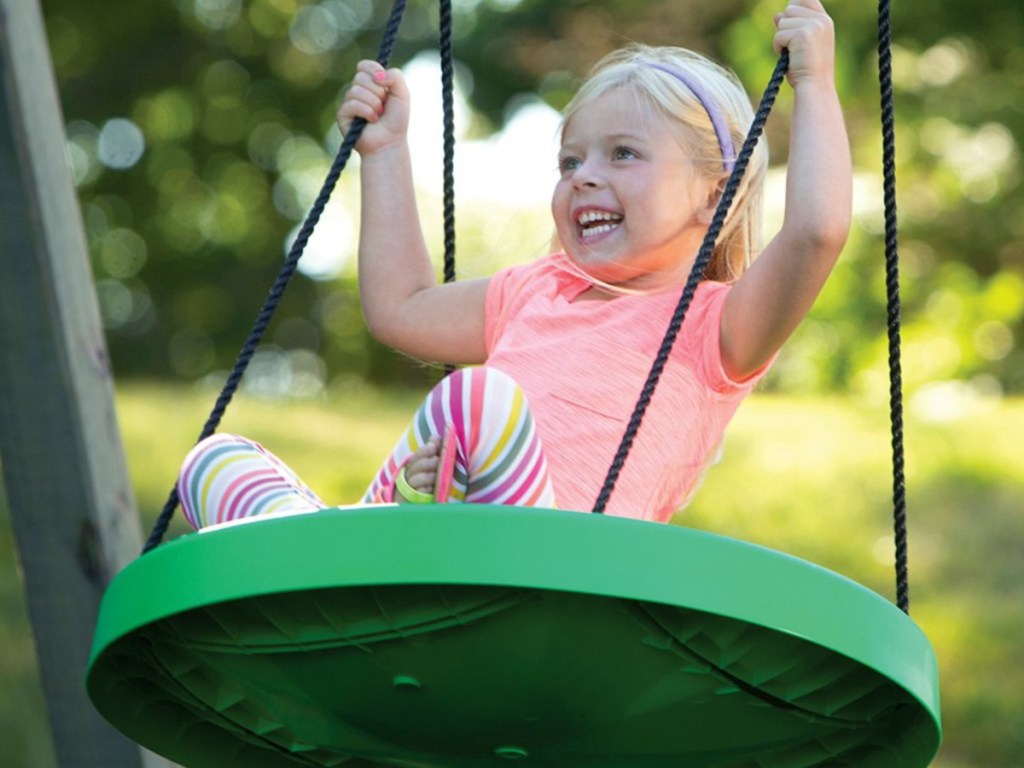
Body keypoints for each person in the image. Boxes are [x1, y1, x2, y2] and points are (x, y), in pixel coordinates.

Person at [176, 0, 850, 530]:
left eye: (622, 154)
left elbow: (817, 232)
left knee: (477, 398)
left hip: (558, 582)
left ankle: (354, 551)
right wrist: (384, 154)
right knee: (214, 462)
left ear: (716, 193)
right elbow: (401, 307)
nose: (584, 176)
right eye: (571, 160)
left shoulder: (715, 328)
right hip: (442, 548)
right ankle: (339, 551)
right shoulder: (538, 292)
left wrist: (814, 81)